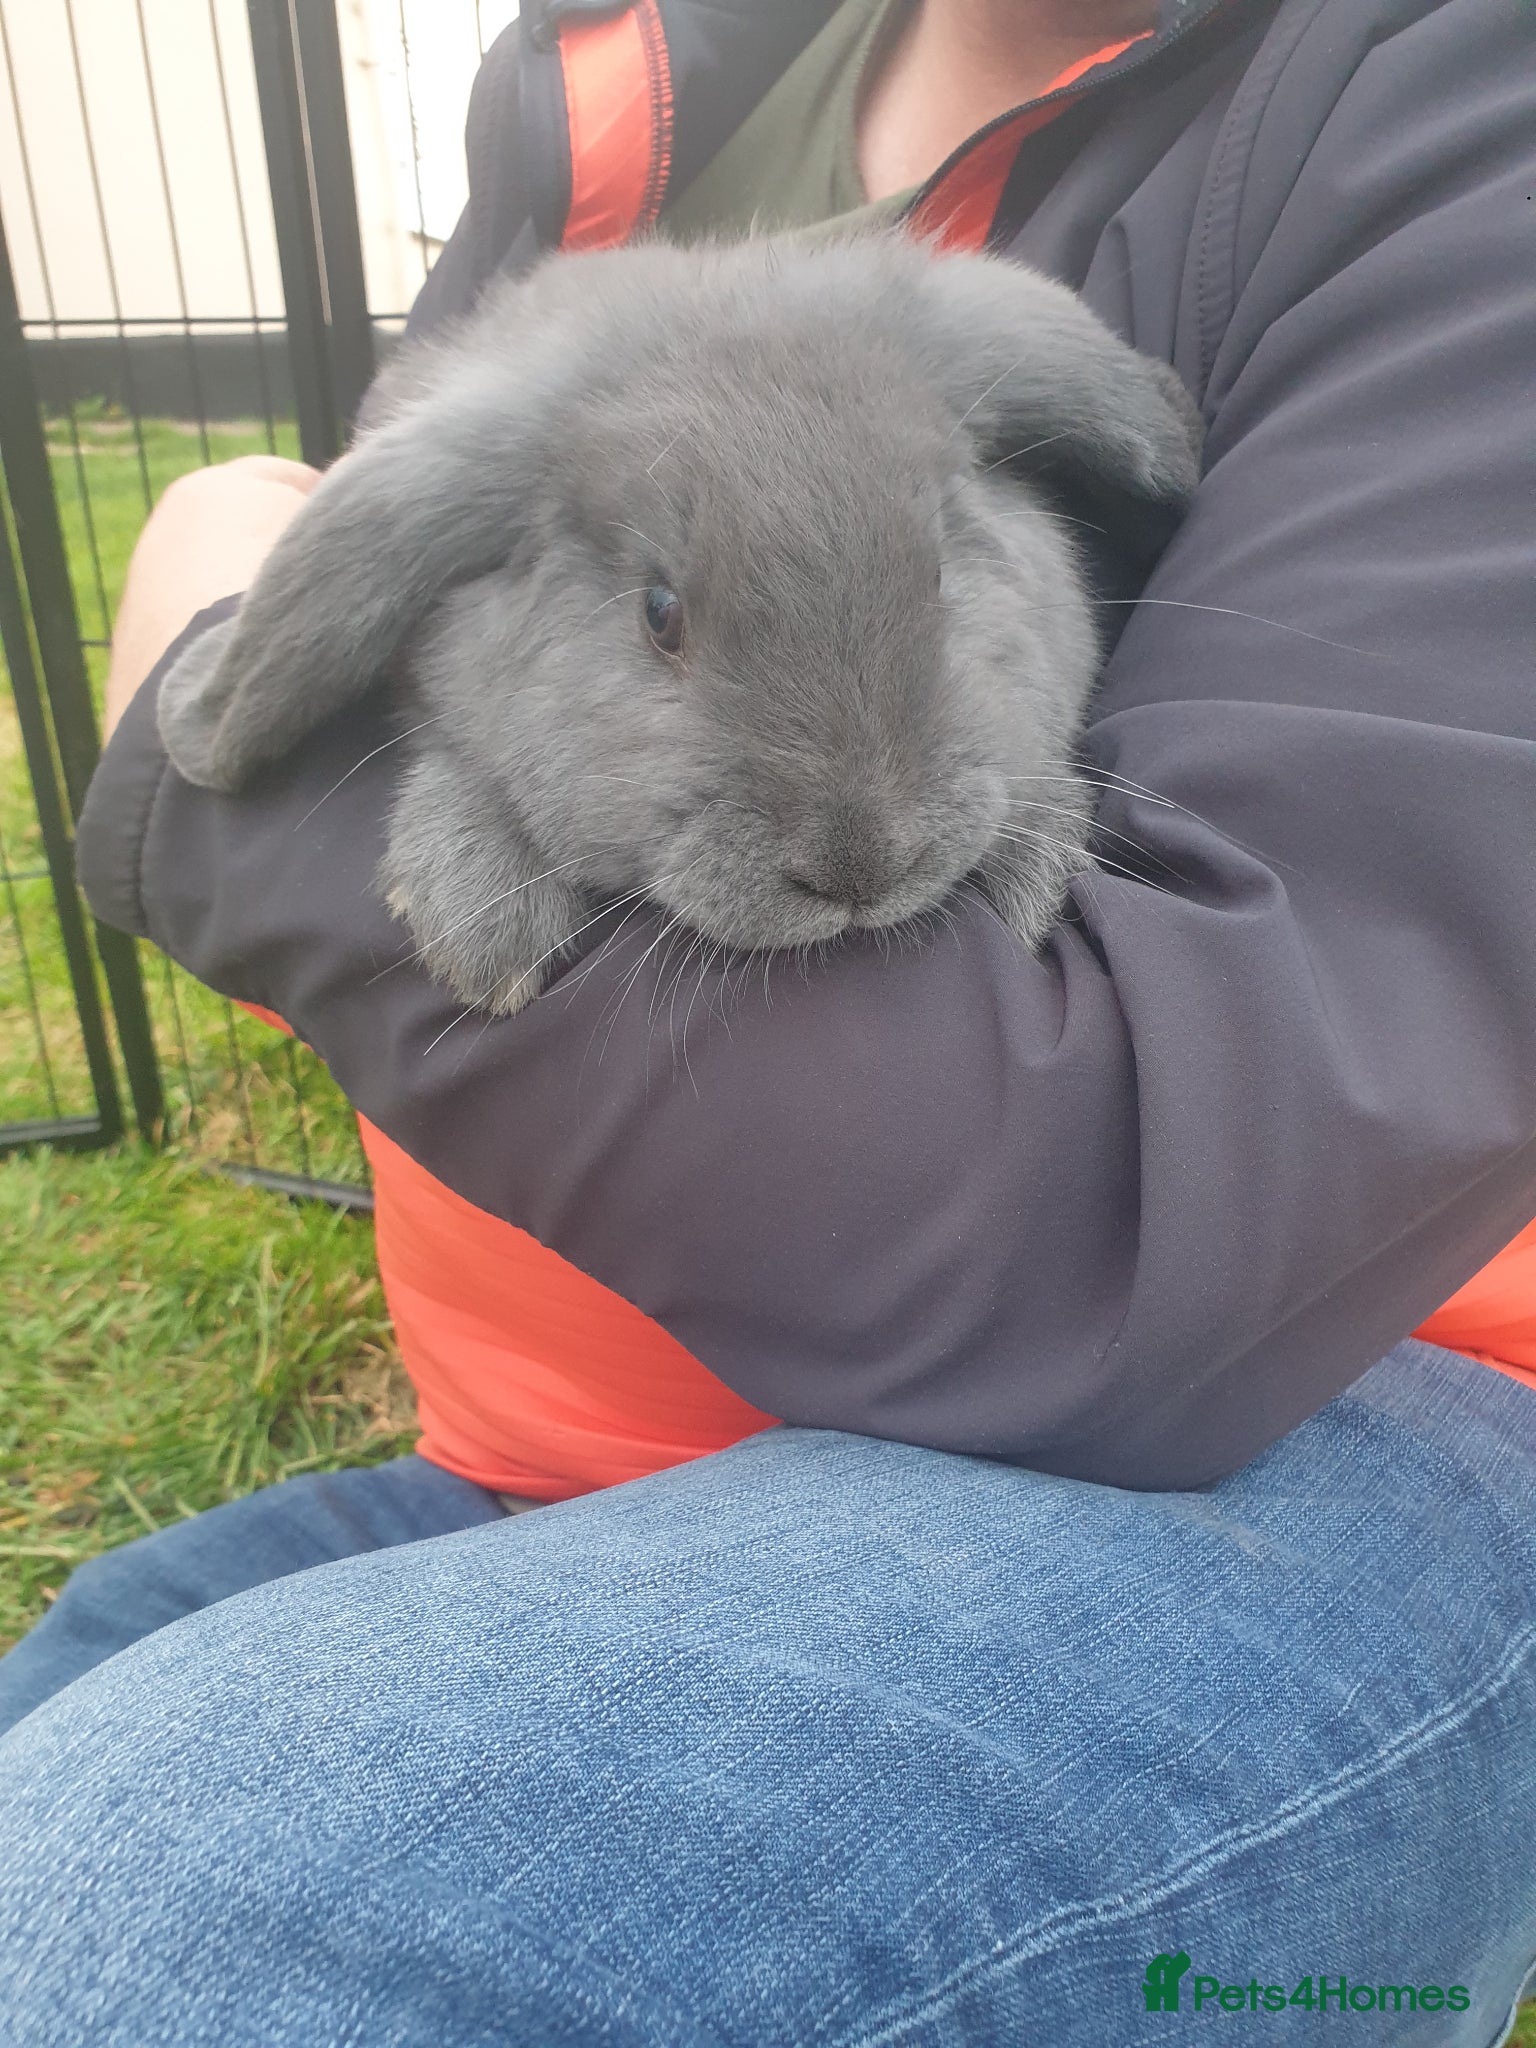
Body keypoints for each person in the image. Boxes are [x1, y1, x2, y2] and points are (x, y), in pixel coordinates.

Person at [1, 0, 1533, 2038]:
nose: (859, 844)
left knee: (155, 1935)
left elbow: (1126, 1223)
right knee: (61, 1725)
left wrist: (218, 767)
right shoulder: (628, 91)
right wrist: (377, 749)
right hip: (572, 1458)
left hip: (1329, 1432)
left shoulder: (1463, 97)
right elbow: (432, 577)